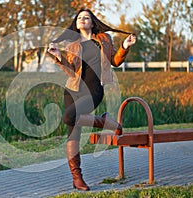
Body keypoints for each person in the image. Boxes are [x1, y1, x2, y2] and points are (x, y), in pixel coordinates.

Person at [47, 8, 136, 191]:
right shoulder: (72, 45)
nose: (82, 19)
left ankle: (104, 121)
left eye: (86, 17)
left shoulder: (103, 39)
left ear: (92, 22)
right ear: (76, 23)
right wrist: (58, 57)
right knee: (73, 131)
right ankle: (77, 178)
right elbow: (71, 72)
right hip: (72, 90)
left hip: (94, 90)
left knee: (67, 117)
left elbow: (115, 61)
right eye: (79, 17)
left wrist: (125, 46)